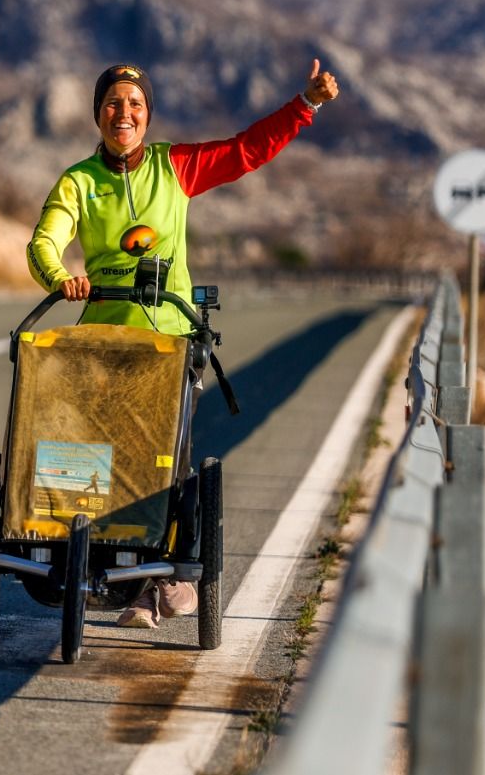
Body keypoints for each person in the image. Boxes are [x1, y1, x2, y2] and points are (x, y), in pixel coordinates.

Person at [26, 59, 340, 628]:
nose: (124, 114)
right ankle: (86, 552)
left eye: (135, 104)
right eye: (113, 103)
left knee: (159, 454)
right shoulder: (78, 181)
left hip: (169, 342)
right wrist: (60, 277)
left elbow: (246, 151)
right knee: (88, 448)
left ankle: (160, 580)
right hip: (102, 340)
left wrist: (306, 105)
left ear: (148, 115)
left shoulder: (175, 167)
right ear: (98, 114)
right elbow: (44, 241)